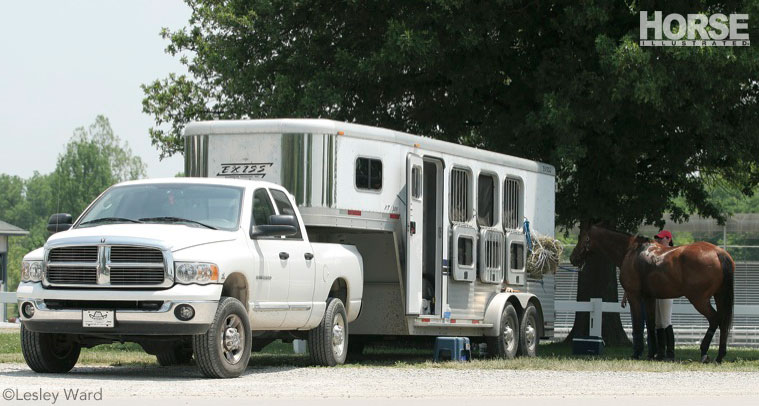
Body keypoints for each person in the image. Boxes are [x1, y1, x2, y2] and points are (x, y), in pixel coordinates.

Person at [653, 230, 675, 361]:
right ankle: (661, 353)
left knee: (666, 321)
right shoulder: (658, 253)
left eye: (661, 238)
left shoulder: (672, 253)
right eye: (658, 239)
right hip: (657, 289)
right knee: (658, 322)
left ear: (668, 239)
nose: (659, 241)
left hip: (667, 289)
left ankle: (670, 353)